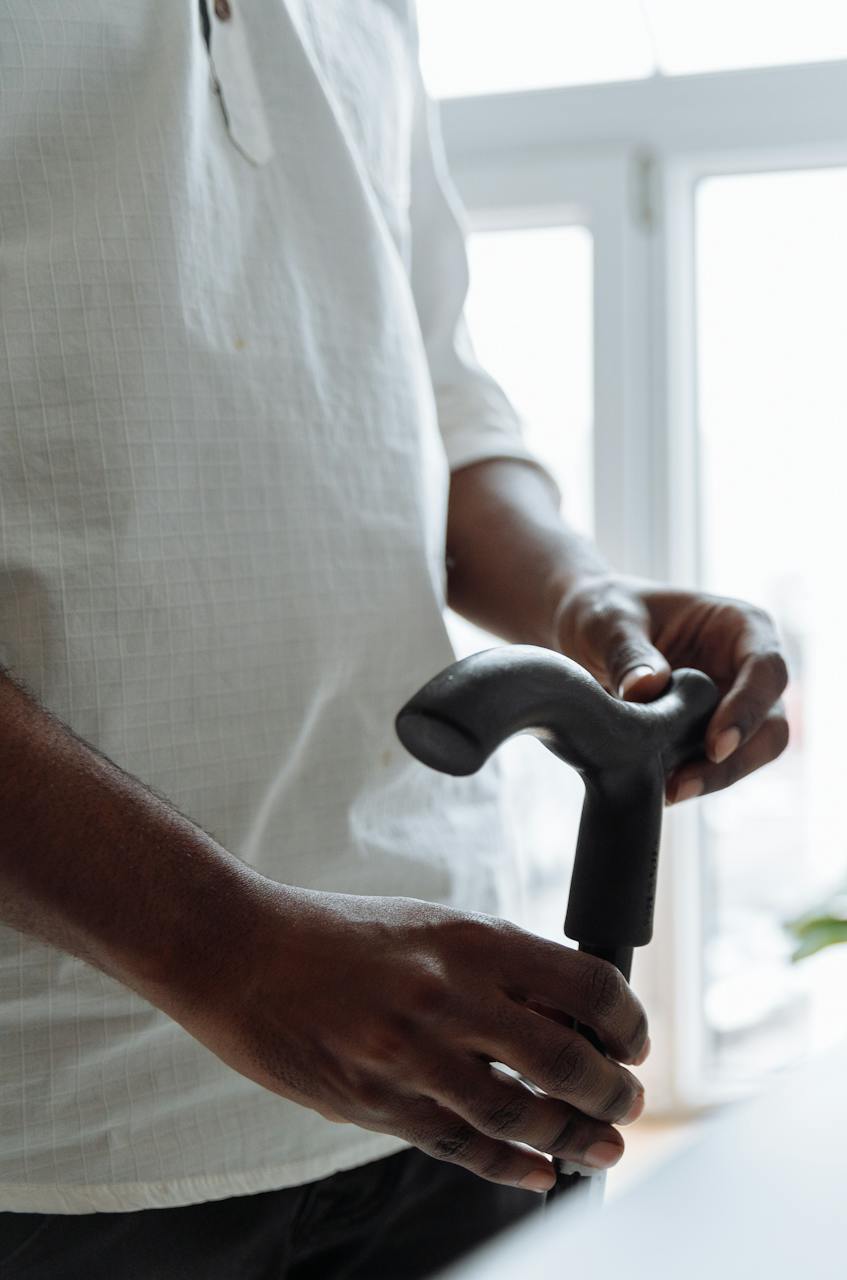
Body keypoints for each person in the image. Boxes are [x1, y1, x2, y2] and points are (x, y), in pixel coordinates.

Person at [0, 3, 790, 1275]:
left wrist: (585, 598)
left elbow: (432, 391)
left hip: (446, 1061)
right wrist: (229, 947)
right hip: (67, 1139)